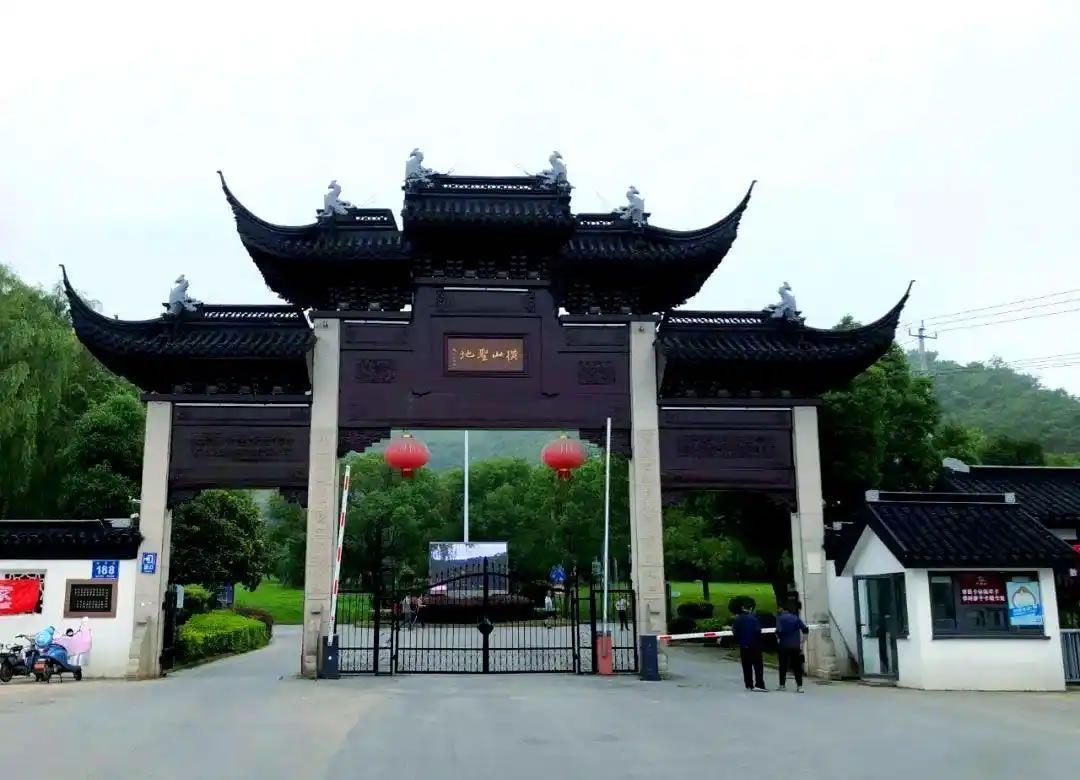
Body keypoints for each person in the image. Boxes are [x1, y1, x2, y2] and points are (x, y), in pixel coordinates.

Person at [732, 601, 766, 692]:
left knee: (746, 666)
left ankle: (748, 684)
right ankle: (759, 684)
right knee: (758, 666)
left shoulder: (737, 619)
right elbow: (758, 631)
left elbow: (734, 631)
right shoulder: (754, 618)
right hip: (755, 645)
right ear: (751, 608)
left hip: (743, 645)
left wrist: (739, 640)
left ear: (743, 608)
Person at [776, 603, 810, 692]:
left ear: (782, 609)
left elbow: (778, 631)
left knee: (783, 665)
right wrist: (803, 642)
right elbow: (805, 629)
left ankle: (782, 685)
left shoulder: (779, 618)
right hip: (795, 646)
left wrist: (779, 638)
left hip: (784, 645)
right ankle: (799, 686)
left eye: (778, 609)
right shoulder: (796, 618)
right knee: (797, 666)